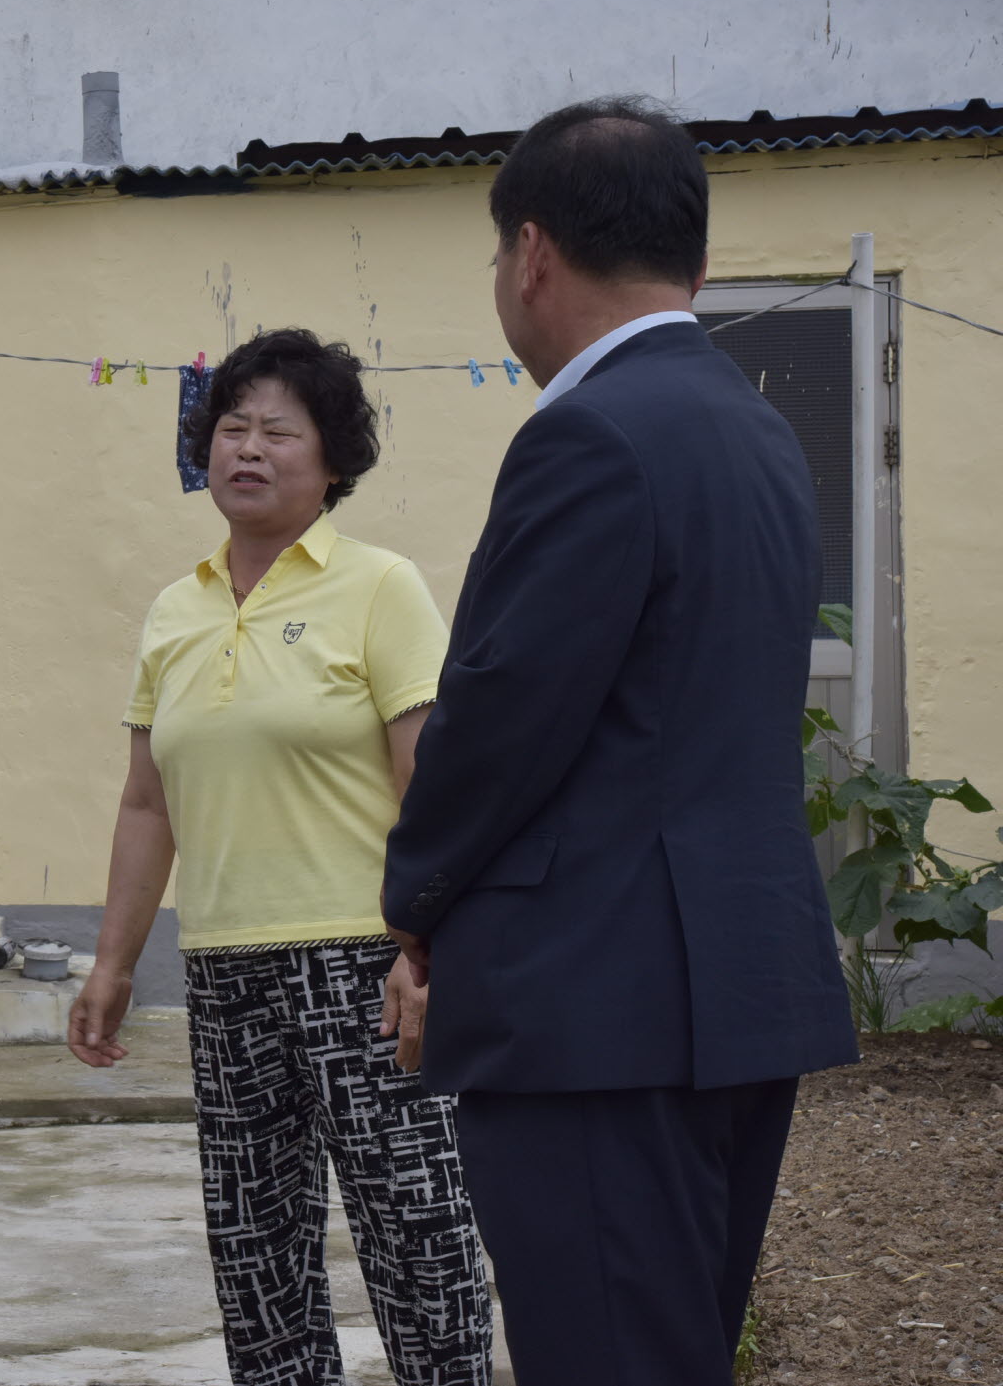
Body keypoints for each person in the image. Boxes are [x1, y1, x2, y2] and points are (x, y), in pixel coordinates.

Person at [381, 97, 858, 1384]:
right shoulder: (759, 430)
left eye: (494, 259)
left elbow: (500, 717)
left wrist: (417, 907)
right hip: (739, 983)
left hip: (595, 1002)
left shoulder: (589, 431)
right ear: (690, 258)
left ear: (531, 253)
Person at [70, 329, 494, 1386]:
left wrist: (427, 945)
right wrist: (115, 961)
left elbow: (428, 784)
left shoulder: (379, 587)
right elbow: (145, 802)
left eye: (278, 430)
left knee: (416, 1236)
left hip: (366, 959)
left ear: (333, 460)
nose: (246, 448)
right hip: (223, 968)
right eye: (231, 426)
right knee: (257, 1252)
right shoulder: (176, 609)